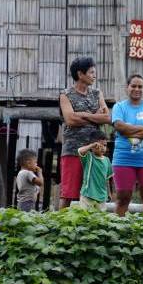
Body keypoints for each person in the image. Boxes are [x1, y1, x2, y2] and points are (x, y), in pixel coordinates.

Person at [58, 57, 110, 210]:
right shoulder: (65, 95)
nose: (94, 75)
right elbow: (70, 120)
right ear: (80, 74)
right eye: (91, 72)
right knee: (68, 193)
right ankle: (60, 226)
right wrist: (95, 116)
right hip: (73, 150)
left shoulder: (97, 93)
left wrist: (84, 115)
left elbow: (107, 117)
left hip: (95, 152)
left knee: (94, 192)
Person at [111, 74, 143, 216]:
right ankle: (119, 232)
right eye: (133, 85)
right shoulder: (119, 107)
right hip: (123, 159)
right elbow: (119, 127)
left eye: (140, 86)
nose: (137, 89)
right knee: (123, 198)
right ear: (127, 88)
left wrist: (130, 130)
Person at [77, 135, 112, 211]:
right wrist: (91, 145)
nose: (102, 148)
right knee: (85, 217)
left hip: (102, 196)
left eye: (105, 145)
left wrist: (109, 193)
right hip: (88, 195)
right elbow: (80, 151)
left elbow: (107, 179)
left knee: (99, 219)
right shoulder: (89, 157)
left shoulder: (107, 160)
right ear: (92, 147)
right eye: (99, 145)